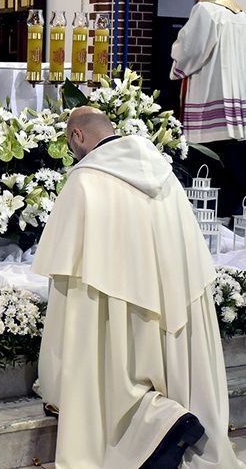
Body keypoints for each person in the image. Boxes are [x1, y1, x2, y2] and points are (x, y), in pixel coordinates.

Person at [31, 106, 244, 468]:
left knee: (115, 377)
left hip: (116, 306)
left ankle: (156, 424)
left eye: (70, 143)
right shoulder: (164, 174)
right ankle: (170, 419)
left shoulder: (84, 180)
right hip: (169, 298)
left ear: (78, 136)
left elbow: (66, 275)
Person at [170, 0, 246, 220]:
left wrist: (177, 60)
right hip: (236, 105)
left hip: (210, 102)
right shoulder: (240, 15)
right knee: (234, 168)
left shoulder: (205, 10)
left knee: (207, 168)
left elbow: (189, 51)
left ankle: (207, 222)